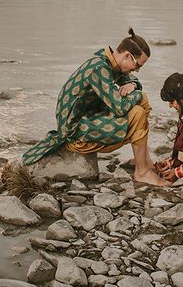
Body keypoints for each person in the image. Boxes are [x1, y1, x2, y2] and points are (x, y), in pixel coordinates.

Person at [22, 28, 166, 186]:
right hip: (75, 132)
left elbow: (135, 82)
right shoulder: (99, 68)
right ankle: (142, 172)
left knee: (141, 102)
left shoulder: (109, 60)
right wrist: (137, 94)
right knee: (137, 111)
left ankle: (144, 161)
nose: (137, 70)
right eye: (137, 65)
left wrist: (131, 84)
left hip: (89, 118)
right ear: (126, 56)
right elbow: (119, 107)